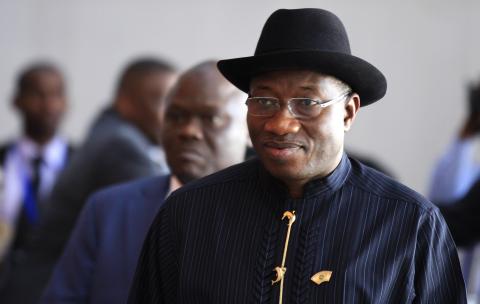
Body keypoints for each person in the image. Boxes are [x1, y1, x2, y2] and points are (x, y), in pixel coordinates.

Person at [129, 9, 466, 303]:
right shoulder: (189, 214)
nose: (280, 123)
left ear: (348, 113)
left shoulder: (409, 223)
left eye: (306, 103)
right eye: (264, 101)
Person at [40, 61, 249, 303]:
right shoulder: (108, 210)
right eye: (176, 116)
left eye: (211, 118)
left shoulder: (270, 217)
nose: (188, 131)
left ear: (248, 130)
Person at [0, 57, 177, 303]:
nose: (171, 115)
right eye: (162, 101)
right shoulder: (122, 146)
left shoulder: (108, 133)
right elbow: (156, 226)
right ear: (126, 102)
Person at [0, 62, 74, 261]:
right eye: (37, 95)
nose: (48, 105)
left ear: (66, 102)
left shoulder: (83, 162)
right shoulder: (4, 157)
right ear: (16, 101)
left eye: (56, 95)